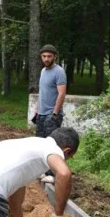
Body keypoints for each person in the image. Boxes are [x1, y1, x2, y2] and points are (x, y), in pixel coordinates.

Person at [32, 44, 67, 184]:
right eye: (44, 56)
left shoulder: (59, 72)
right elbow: (42, 92)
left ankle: (53, 174)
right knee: (40, 144)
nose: (46, 59)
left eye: (49, 56)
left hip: (51, 115)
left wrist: (55, 113)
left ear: (55, 56)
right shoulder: (43, 71)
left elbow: (62, 94)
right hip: (41, 114)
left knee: (52, 145)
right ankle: (42, 171)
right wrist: (37, 109)